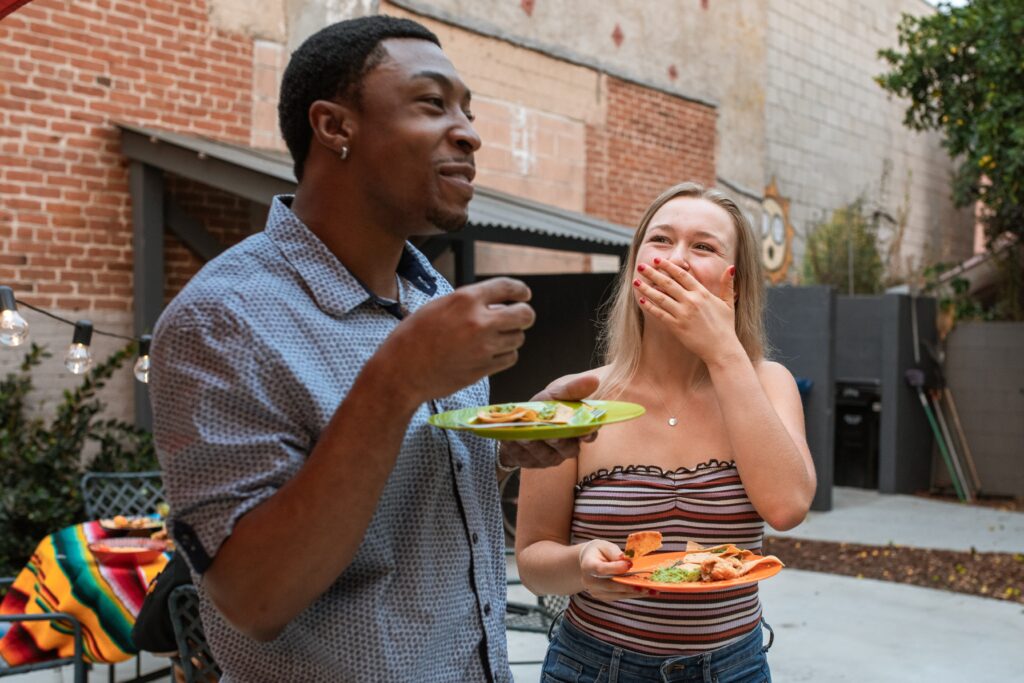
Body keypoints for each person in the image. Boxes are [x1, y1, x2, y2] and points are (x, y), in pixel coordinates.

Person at [148, 16, 589, 682]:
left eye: (467, 110)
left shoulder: (432, 295)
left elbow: (403, 507)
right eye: (431, 102)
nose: (469, 132)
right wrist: (395, 379)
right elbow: (252, 597)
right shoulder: (222, 319)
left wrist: (499, 449)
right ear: (335, 126)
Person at [510, 182, 817, 682]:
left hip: (732, 667)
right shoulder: (579, 398)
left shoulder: (767, 382)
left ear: (732, 283)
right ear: (635, 268)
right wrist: (580, 563)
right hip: (592, 666)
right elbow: (533, 558)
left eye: (703, 247)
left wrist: (723, 353)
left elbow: (787, 508)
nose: (676, 259)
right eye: (660, 240)